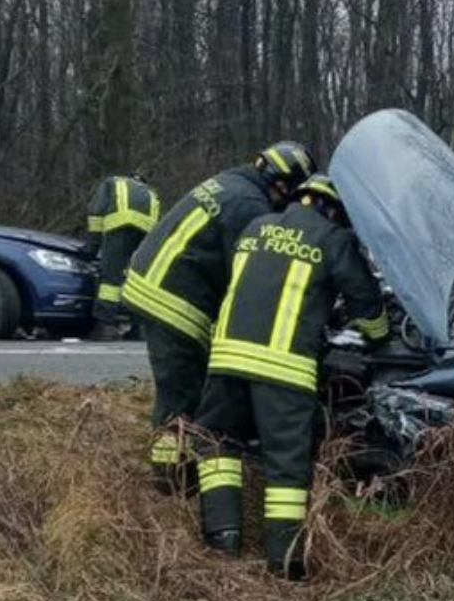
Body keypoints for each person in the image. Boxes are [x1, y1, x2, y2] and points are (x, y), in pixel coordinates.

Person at [192, 174, 390, 580]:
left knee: (217, 443)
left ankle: (222, 540)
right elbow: (366, 304)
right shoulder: (333, 239)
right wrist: (380, 333)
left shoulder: (255, 227)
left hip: (226, 359)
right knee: (286, 466)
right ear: (335, 211)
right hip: (283, 370)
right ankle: (284, 563)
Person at [123, 142, 317, 493]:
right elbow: (248, 271)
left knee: (184, 386)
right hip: (173, 301)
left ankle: (178, 472)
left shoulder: (233, 182)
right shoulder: (250, 206)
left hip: (155, 283)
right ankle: (172, 484)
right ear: (282, 185)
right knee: (182, 395)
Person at [83, 170, 160, 338]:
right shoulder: (150, 192)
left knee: (111, 277)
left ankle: (106, 326)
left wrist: (91, 247)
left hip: (121, 225)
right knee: (135, 279)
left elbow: (96, 214)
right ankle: (138, 329)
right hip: (147, 233)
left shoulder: (112, 182)